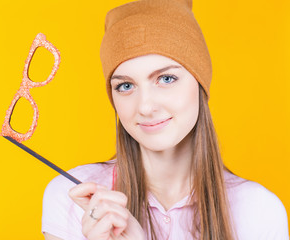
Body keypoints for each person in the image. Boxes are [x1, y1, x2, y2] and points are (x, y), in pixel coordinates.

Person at [42, 0, 289, 239]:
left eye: (166, 79)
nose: (146, 106)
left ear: (200, 83)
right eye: (126, 85)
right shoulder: (75, 197)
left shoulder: (258, 210)